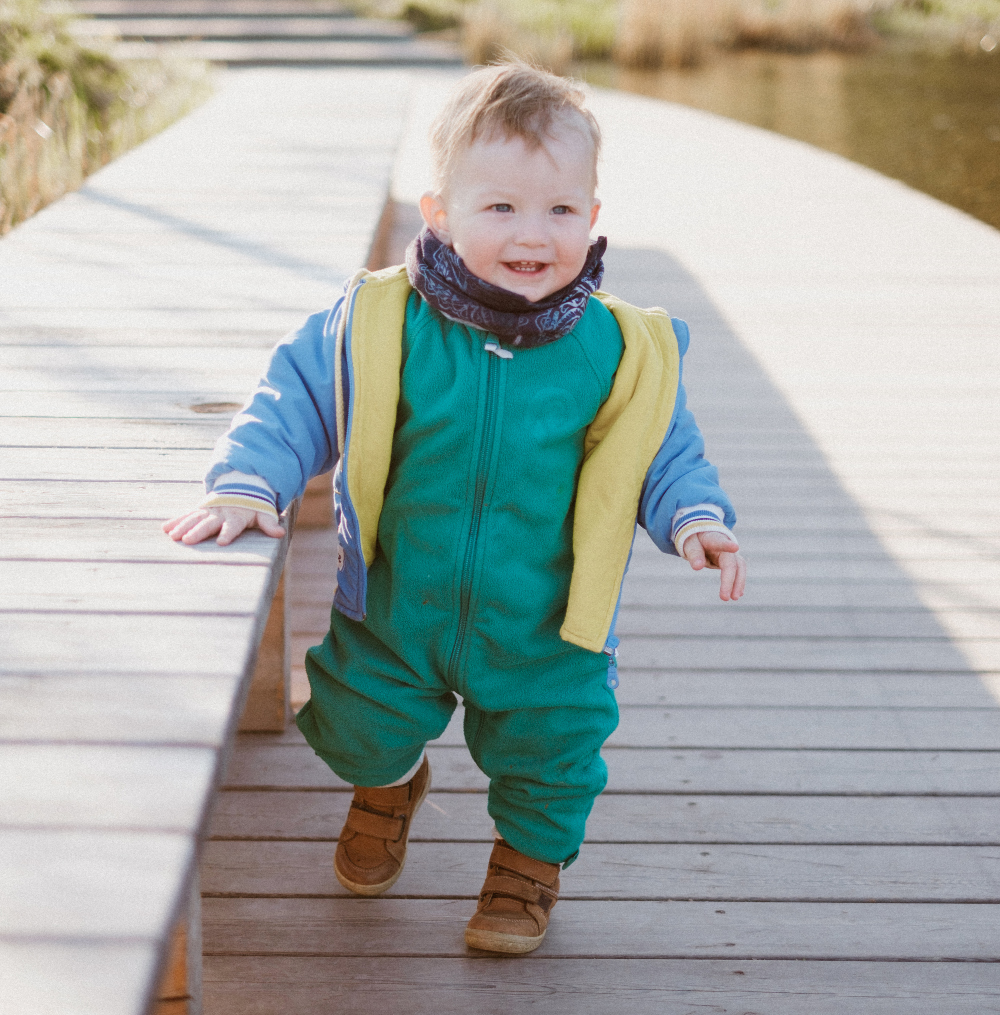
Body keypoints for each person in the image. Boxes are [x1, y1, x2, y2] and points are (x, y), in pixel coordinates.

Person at [163, 62, 746, 955]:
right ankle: (388, 782)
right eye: (500, 207)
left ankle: (524, 866)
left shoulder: (615, 348)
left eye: (559, 211)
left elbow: (660, 442)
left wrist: (695, 517)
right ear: (440, 212)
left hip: (545, 618)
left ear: (591, 217)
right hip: (404, 597)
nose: (532, 234)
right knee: (358, 721)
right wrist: (249, 481)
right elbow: (296, 399)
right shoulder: (384, 321)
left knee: (553, 750)